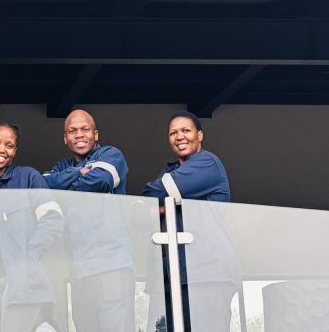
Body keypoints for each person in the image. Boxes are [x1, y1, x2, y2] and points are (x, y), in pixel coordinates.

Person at [142, 112, 240, 332]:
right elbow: (144, 204)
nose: (179, 137)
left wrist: (162, 205)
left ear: (200, 135)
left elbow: (156, 191)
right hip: (171, 276)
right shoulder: (169, 171)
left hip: (207, 274)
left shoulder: (207, 162)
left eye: (186, 130)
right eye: (173, 133)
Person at [45, 110, 134, 332]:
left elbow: (100, 181)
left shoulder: (112, 155)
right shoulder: (62, 166)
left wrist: (65, 183)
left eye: (85, 129)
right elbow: (44, 184)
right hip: (79, 272)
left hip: (112, 266)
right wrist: (80, 173)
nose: (79, 135)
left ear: (96, 134)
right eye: (72, 131)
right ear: (65, 138)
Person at [0, 121, 64, 332]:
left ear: (14, 151)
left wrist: (29, 257)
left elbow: (53, 218)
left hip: (23, 279)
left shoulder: (27, 177)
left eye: (9, 145)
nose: (2, 150)